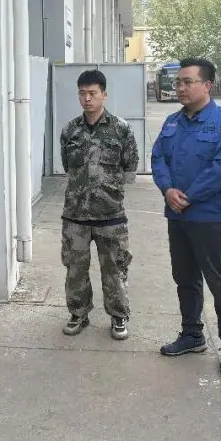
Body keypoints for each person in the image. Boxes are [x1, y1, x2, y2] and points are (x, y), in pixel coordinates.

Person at [151, 57, 221, 373]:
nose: (180, 87)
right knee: (185, 278)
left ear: (207, 85)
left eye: (187, 82)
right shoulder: (172, 123)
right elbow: (158, 158)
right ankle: (192, 334)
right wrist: (167, 189)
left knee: (219, 282)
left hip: (209, 217)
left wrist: (188, 196)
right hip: (177, 216)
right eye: (178, 82)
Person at [58, 69, 140, 339]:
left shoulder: (121, 129)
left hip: (110, 214)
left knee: (115, 269)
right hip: (75, 215)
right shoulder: (70, 130)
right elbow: (68, 166)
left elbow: (130, 167)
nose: (87, 99)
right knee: (75, 269)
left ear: (104, 95)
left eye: (92, 93)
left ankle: (118, 316)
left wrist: (107, 190)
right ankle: (78, 313)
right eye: (82, 93)